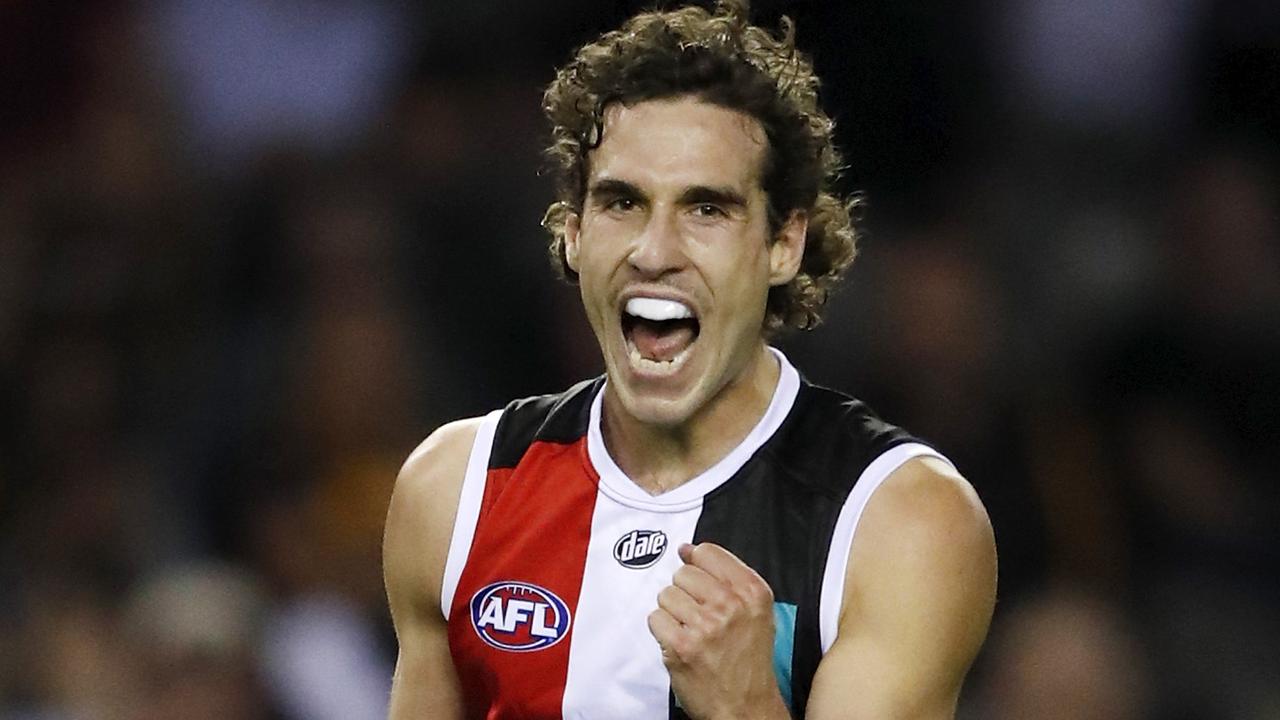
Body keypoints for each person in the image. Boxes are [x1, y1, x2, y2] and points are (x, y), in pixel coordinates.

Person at [382, 2, 997, 718]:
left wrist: (744, 708)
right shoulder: (452, 492)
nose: (655, 251)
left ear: (783, 244)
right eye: (622, 203)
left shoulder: (900, 522)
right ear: (575, 233)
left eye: (706, 209)